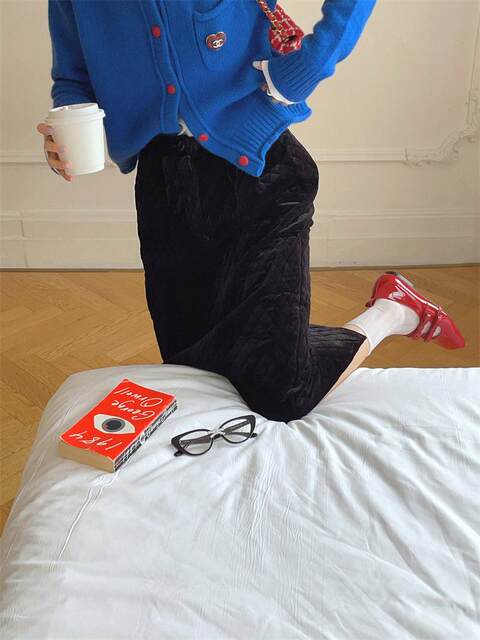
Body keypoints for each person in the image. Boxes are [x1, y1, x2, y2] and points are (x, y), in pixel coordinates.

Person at [38, 1, 465, 422]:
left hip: (262, 174)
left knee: (284, 394)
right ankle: (281, 339)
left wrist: (310, 64)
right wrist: (64, 132)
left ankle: (392, 311)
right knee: (195, 371)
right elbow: (72, 78)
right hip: (164, 188)